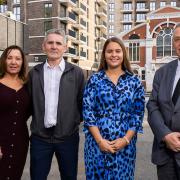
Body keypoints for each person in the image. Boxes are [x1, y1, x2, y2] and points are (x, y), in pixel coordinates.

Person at [83, 37, 145, 179]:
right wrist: (100, 141)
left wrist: (126, 139)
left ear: (123, 54)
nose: (114, 55)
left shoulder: (134, 81)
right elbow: (88, 112)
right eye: (109, 51)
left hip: (125, 147)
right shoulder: (95, 79)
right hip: (97, 145)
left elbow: (138, 114)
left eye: (118, 51)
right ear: (104, 55)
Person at [28, 29, 84, 180]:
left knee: (69, 176)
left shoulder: (77, 73)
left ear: (65, 47)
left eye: (58, 43)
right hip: (40, 138)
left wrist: (72, 122)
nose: (54, 46)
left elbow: (81, 102)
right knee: (37, 177)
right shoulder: (34, 73)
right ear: (43, 46)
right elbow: (28, 103)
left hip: (68, 138)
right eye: (50, 42)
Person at [147, 23, 180, 180]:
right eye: (177, 39)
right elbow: (153, 105)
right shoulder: (162, 72)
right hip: (164, 154)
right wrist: (165, 135)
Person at [0, 45, 30, 180]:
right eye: (10, 58)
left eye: (18, 59)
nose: (13, 62)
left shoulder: (27, 86)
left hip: (20, 143)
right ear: (4, 61)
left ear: (22, 62)